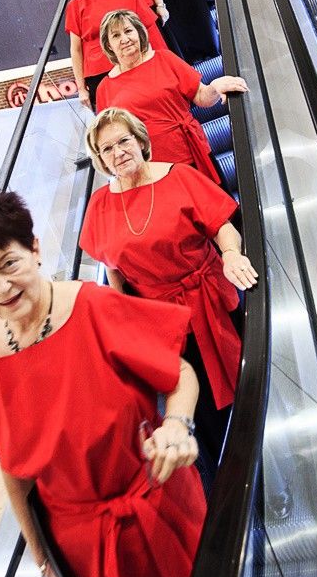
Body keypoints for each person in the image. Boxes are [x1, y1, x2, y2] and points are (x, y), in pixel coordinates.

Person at [0, 191, 206, 577]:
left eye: (9, 264)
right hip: (84, 548)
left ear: (35, 250)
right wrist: (42, 557)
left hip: (159, 515)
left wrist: (176, 425)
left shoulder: (93, 307)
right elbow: (16, 471)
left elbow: (179, 372)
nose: (1, 288)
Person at [80, 109, 258, 473]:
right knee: (197, 408)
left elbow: (222, 226)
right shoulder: (100, 204)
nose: (118, 152)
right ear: (100, 158)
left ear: (140, 141)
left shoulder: (179, 177)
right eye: (107, 148)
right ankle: (228, 478)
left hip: (214, 304)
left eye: (124, 141)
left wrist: (230, 254)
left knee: (247, 387)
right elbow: (113, 268)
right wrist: (123, 314)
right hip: (163, 323)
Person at [95, 10, 248, 183]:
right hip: (149, 172)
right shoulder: (104, 89)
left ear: (138, 32)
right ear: (109, 45)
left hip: (189, 153)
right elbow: (109, 140)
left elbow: (201, 96)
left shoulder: (165, 59)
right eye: (116, 35)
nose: (124, 39)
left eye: (128, 31)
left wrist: (215, 87)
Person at [66, 0, 168, 109]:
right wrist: (81, 88)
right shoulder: (76, 5)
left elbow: (153, 40)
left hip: (135, 68)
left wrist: (163, 70)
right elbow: (75, 50)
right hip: (99, 77)